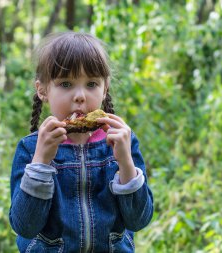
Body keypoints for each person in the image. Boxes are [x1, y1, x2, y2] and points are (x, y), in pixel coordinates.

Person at [9, 31, 153, 253]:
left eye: (91, 84)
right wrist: (41, 161)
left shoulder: (123, 142)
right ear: (43, 90)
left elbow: (139, 221)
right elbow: (25, 227)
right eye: (66, 84)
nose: (80, 96)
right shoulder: (30, 149)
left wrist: (125, 162)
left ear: (105, 88)